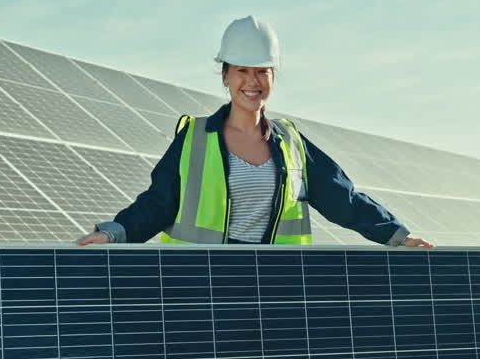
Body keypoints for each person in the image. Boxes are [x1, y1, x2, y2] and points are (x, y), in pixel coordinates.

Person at [73, 15, 433, 249]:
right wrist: (113, 233)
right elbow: (157, 203)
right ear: (225, 76)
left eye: (262, 71)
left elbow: (343, 198)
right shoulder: (194, 137)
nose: (253, 81)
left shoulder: (291, 142)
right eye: (242, 71)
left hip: (274, 288)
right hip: (199, 285)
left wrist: (397, 236)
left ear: (274, 76)